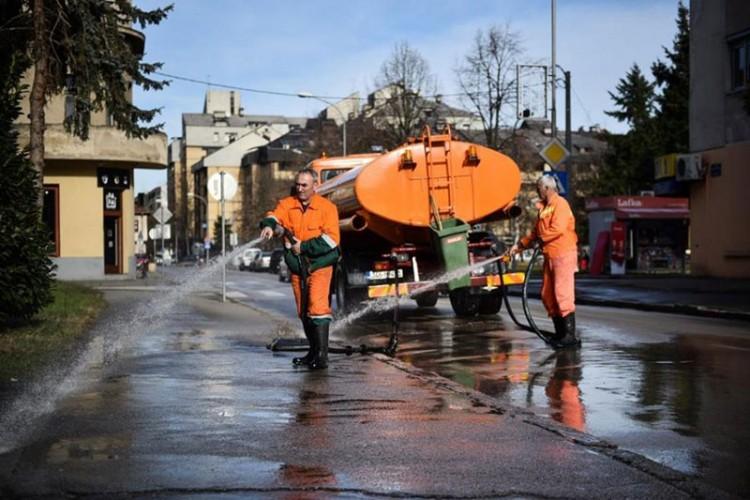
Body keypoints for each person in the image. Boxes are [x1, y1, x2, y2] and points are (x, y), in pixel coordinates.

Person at [260, 168, 340, 369]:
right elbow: (274, 216)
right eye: (298, 184)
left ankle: (321, 357)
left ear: (315, 185)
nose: (300, 188)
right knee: (304, 312)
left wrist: (303, 247)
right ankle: (312, 352)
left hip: (319, 266)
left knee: (318, 308)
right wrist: (269, 226)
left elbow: (331, 240)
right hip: (297, 268)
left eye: (304, 185)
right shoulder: (288, 205)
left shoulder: (327, 208)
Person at [510, 175, 579, 347]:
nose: (536, 190)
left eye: (538, 187)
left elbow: (558, 228)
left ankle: (569, 336)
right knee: (548, 295)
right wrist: (519, 246)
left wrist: (541, 240)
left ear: (546, 188)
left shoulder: (560, 204)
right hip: (550, 255)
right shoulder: (544, 208)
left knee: (562, 294)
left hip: (563, 254)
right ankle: (560, 334)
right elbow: (535, 233)